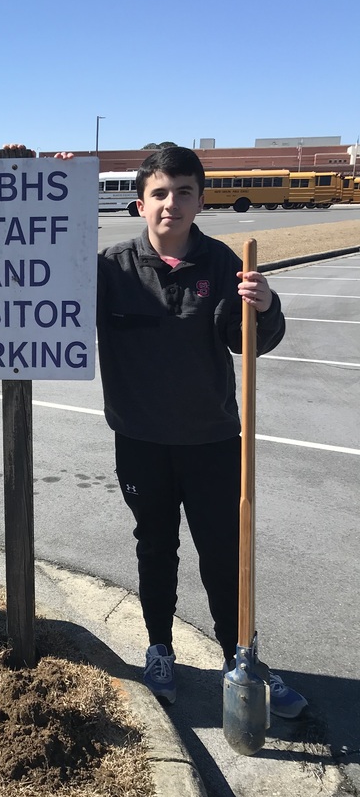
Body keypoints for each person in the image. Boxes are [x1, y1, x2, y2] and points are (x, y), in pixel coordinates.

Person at [96, 146, 307, 717]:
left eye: (184, 191)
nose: (172, 204)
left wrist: (265, 306)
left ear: (200, 198)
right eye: (160, 193)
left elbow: (250, 343)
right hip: (139, 438)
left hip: (211, 438)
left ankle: (242, 658)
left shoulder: (224, 264)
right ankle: (159, 648)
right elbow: (47, 282)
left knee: (223, 551)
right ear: (141, 202)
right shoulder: (109, 268)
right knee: (156, 546)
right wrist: (36, 175)